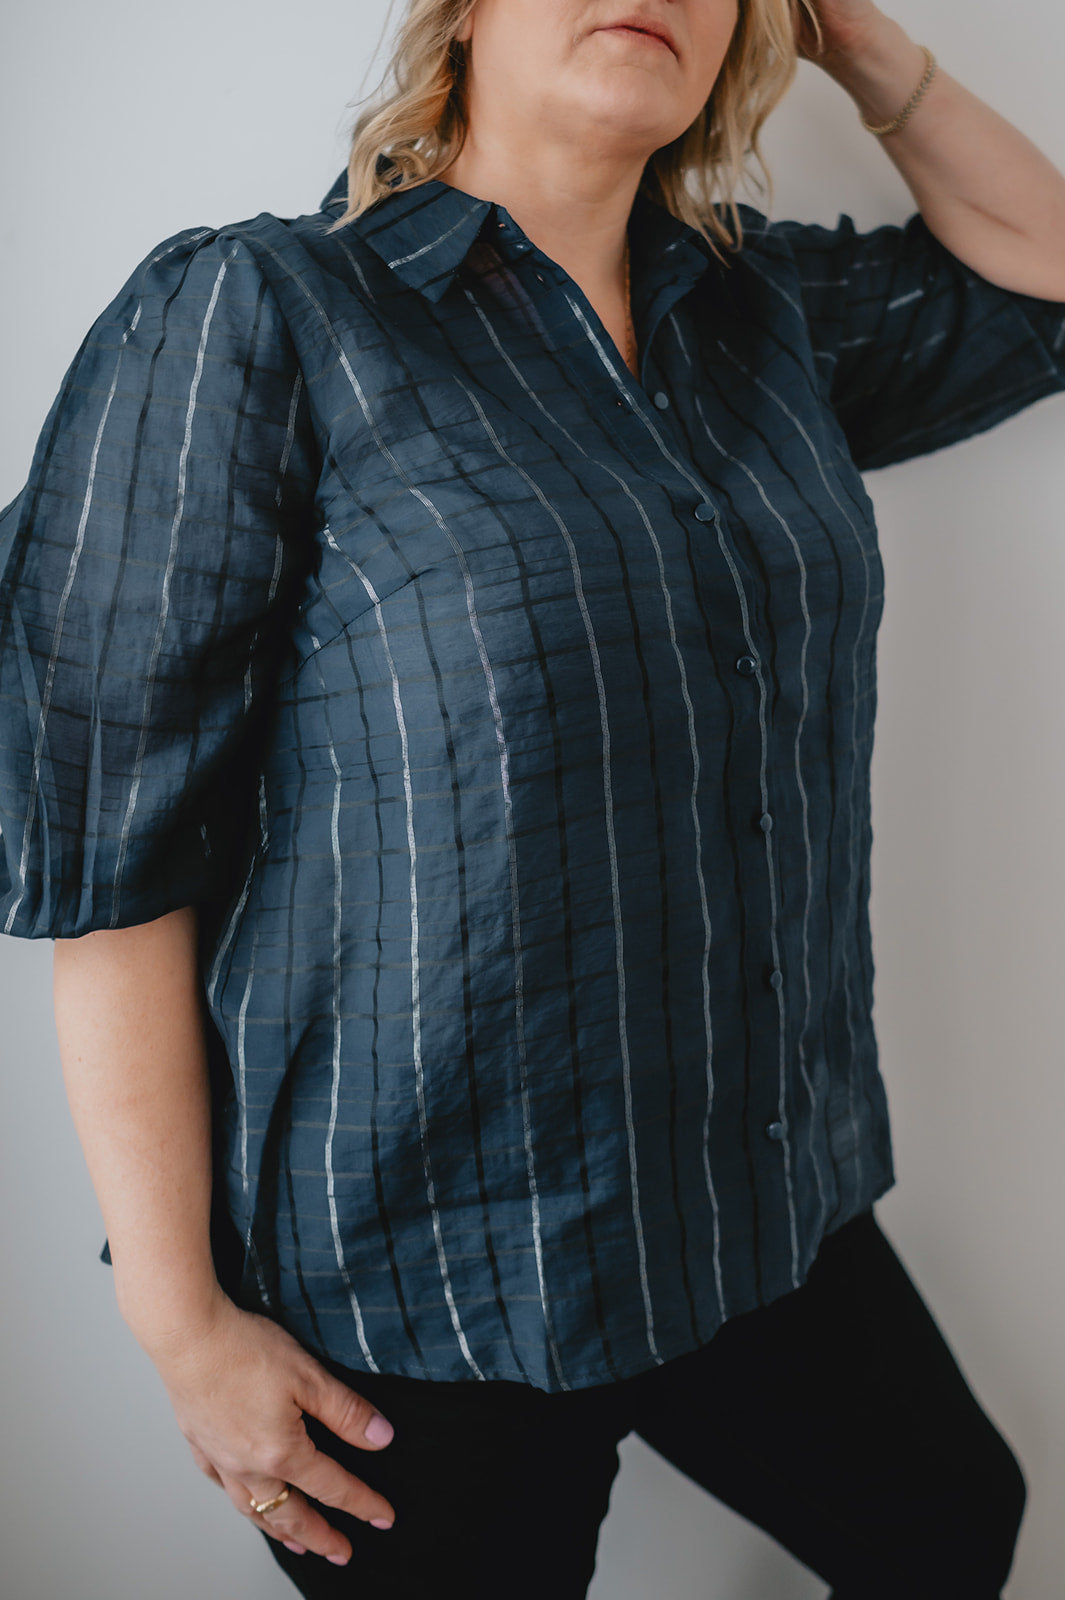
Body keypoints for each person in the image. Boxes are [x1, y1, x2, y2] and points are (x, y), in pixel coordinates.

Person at [1, 0, 1061, 1594]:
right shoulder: (265, 311)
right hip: (415, 1275)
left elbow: (1046, 274)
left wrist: (854, 40)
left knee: (949, 1524)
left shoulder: (760, 314)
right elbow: (103, 841)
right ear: (462, 16)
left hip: (745, 1196)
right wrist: (179, 1322)